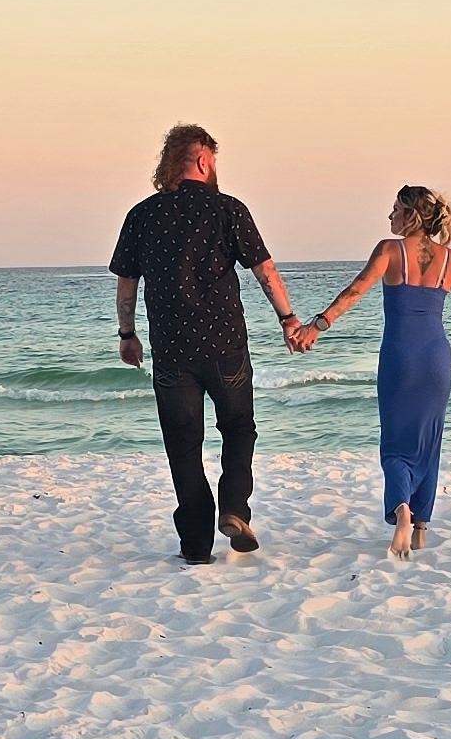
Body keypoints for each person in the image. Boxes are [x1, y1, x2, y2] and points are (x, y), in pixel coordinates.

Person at [109, 125, 314, 565]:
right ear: (203, 159)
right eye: (214, 161)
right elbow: (265, 271)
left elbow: (126, 283)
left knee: (183, 445)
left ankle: (196, 547)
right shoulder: (228, 210)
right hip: (226, 349)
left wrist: (127, 335)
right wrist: (289, 320)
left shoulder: (141, 216)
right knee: (239, 428)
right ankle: (235, 508)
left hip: (171, 352)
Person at [306, 184, 451, 555]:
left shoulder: (390, 251)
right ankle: (421, 528)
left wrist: (317, 326)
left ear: (411, 215)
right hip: (438, 359)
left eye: (395, 210)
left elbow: (354, 293)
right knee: (428, 441)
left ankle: (401, 510)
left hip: (399, 358)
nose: (389, 217)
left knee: (395, 444)